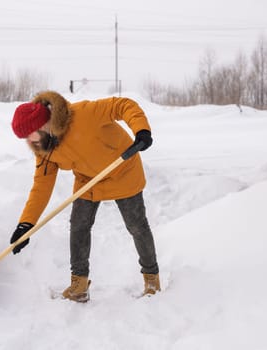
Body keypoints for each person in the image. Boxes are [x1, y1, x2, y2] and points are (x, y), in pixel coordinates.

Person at [9, 90, 160, 302]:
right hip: (89, 181)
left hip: (122, 169)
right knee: (79, 226)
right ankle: (78, 284)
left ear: (43, 125)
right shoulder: (44, 148)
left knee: (136, 225)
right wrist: (26, 224)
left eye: (29, 133)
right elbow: (41, 186)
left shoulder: (82, 114)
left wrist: (141, 130)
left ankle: (151, 278)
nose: (29, 140)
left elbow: (122, 105)